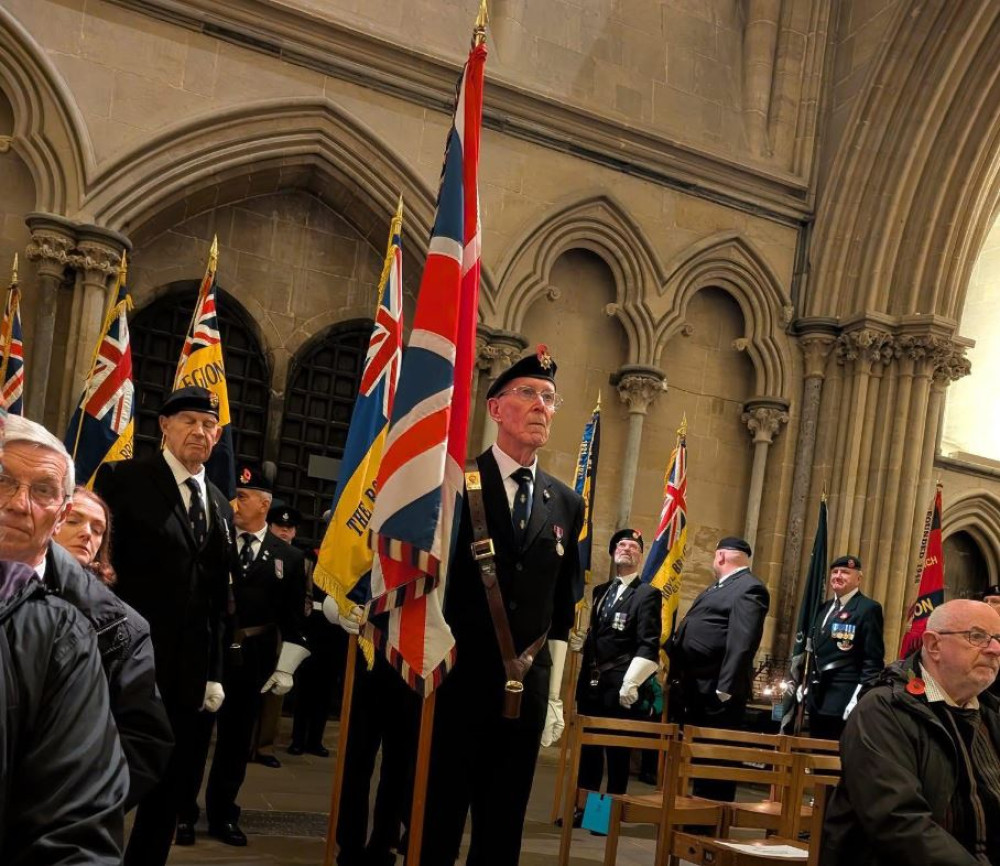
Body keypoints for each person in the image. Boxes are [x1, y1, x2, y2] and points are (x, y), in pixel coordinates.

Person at [422, 345, 584, 866]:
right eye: (529, 393)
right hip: (458, 676)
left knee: (504, 823)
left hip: (526, 686)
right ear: (495, 408)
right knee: (438, 816)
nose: (542, 405)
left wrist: (555, 694)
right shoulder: (456, 483)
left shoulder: (565, 501)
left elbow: (562, 607)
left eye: (550, 398)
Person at [0, 416, 172, 813]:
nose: (17, 503)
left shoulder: (119, 627)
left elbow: (142, 745)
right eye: (4, 480)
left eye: (42, 490)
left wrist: (69, 812)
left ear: (56, 514)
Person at [95, 385, 235, 865]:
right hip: (123, 665)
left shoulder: (218, 501)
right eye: (190, 421)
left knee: (169, 792)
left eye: (209, 425)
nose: (200, 432)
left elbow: (219, 597)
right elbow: (99, 575)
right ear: (165, 426)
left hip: (187, 677)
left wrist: (214, 670)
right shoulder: (124, 479)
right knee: (100, 783)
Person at [180, 466, 310, 847]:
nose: (235, 502)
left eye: (244, 496)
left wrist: (287, 666)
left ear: (264, 505)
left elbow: (293, 620)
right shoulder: (213, 541)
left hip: (252, 659)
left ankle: (223, 815)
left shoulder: (287, 556)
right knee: (194, 739)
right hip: (210, 654)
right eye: (235, 493)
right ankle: (183, 813)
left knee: (236, 744)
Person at [822, 599, 1000, 866]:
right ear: (933, 645)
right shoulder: (884, 709)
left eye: (998, 639)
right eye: (978, 637)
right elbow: (899, 822)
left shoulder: (991, 713)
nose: (995, 649)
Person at [0, 557, 129, 864]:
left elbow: (77, 828)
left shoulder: (62, 627)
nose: (17, 506)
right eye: (78, 520)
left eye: (97, 529)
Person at [568, 528, 659, 823]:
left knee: (616, 753)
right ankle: (582, 810)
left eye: (633, 546)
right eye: (621, 544)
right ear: (612, 552)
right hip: (592, 682)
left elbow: (649, 642)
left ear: (640, 555)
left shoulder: (647, 594)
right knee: (589, 750)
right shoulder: (601, 591)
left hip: (620, 683)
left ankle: (602, 818)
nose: (627, 549)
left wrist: (632, 682)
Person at [668, 536, 769, 799]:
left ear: (721, 556)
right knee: (701, 757)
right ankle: (696, 816)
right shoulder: (718, 587)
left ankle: (709, 820)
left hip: (717, 690)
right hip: (699, 685)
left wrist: (725, 687)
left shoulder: (749, 588)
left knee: (716, 759)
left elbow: (742, 642)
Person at [805, 554, 885, 739]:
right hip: (818, 696)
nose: (838, 576)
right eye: (835, 571)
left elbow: (872, 659)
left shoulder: (867, 609)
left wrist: (860, 697)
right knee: (814, 753)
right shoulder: (824, 609)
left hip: (844, 696)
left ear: (858, 578)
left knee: (833, 756)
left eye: (845, 572)